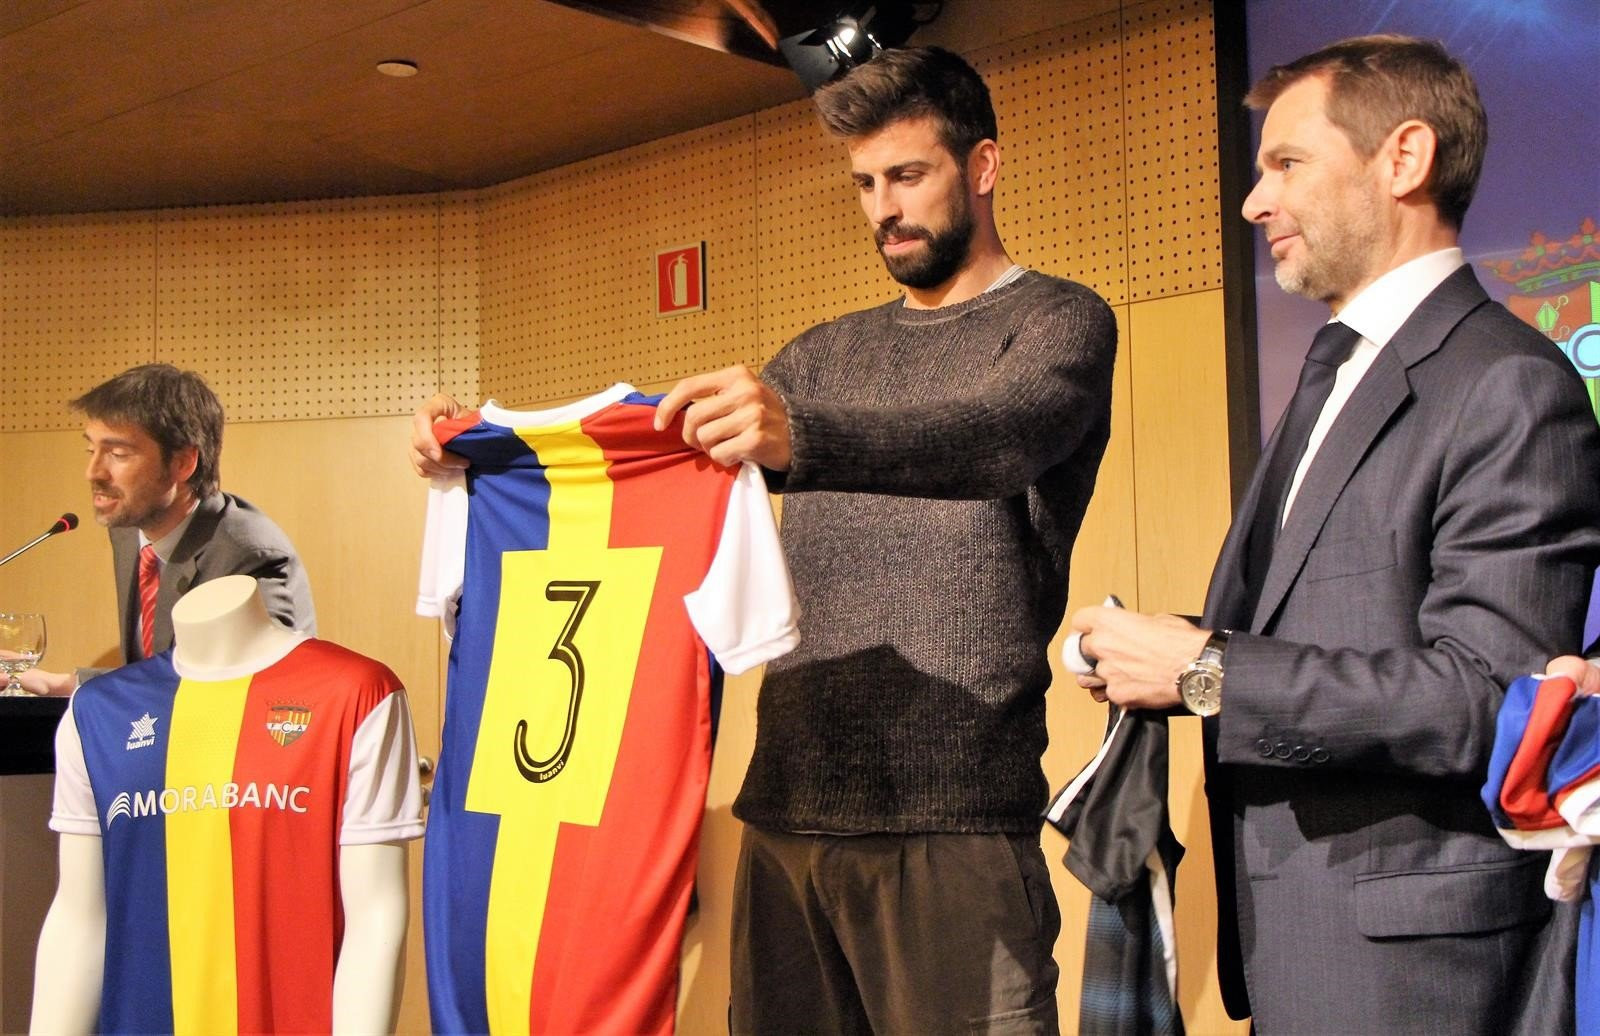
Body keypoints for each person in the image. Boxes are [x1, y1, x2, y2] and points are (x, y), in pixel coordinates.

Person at [411, 46, 1116, 1035]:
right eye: (865, 184)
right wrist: (490, 454)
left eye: (907, 175)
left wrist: (805, 433)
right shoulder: (820, 353)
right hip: (784, 815)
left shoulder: (1060, 322)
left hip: (949, 816)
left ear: (983, 167)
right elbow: (661, 462)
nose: (883, 208)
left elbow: (998, 437)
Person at [1070, 35, 1600, 1033]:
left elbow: (1490, 695)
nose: (1251, 201)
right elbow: (1324, 625)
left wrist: (1208, 670)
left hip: (1411, 968)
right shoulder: (1336, 370)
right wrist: (1161, 649)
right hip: (1298, 940)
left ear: (1402, 159)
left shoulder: (1507, 384)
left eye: (1285, 164)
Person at [20, 363, 315, 696]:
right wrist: (53, 683)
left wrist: (74, 685)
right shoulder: (129, 529)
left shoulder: (246, 555)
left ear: (183, 463)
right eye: (91, 449)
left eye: (117, 453)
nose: (93, 472)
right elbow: (159, 667)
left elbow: (240, 689)